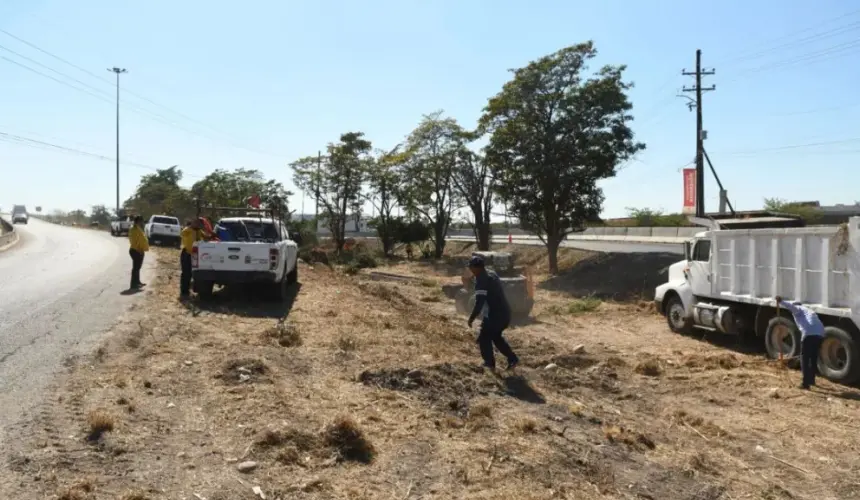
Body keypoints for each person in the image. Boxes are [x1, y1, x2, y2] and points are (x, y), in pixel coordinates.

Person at [467, 255, 519, 372]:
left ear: (477, 268)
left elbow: (479, 302)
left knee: (484, 337)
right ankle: (512, 359)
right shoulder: (491, 273)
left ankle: (489, 364)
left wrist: (471, 318)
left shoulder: (481, 279)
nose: (470, 270)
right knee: (496, 337)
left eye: (471, 267)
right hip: (505, 312)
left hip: (495, 315)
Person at [776, 296, 825, 389]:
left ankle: (805, 384)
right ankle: (812, 380)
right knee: (813, 358)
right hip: (820, 334)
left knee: (805, 359)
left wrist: (781, 301)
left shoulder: (799, 309)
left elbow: (792, 307)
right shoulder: (809, 311)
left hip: (809, 333)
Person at [179, 218, 205, 298]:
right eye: (198, 224)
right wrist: (192, 226)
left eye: (201, 224)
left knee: (194, 273)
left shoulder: (199, 232)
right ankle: (184, 291)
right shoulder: (188, 230)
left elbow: (205, 237)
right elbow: (182, 234)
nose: (200, 226)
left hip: (196, 255)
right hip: (187, 253)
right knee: (186, 273)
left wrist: (211, 235)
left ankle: (192, 289)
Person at [127, 215, 149, 290]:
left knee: (137, 268)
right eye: (141, 221)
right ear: (138, 221)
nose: (142, 222)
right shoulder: (134, 229)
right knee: (136, 268)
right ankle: (133, 284)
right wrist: (139, 250)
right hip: (136, 250)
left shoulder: (138, 228)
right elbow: (135, 241)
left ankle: (137, 282)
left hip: (139, 250)